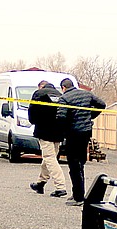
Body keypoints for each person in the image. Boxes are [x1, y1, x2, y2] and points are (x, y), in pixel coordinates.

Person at [56, 78, 106, 206]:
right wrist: (90, 115)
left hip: (73, 134)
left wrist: (63, 130)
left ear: (63, 87)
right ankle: (79, 194)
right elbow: (102, 104)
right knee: (80, 163)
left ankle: (78, 196)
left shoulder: (65, 98)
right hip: (85, 132)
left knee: (73, 165)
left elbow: (61, 117)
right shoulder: (86, 94)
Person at [28, 80, 68, 197]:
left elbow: (32, 112)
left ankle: (60, 187)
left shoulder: (38, 94)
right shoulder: (60, 95)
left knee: (50, 158)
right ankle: (41, 183)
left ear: (41, 86)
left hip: (44, 131)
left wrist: (34, 122)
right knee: (50, 157)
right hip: (58, 132)